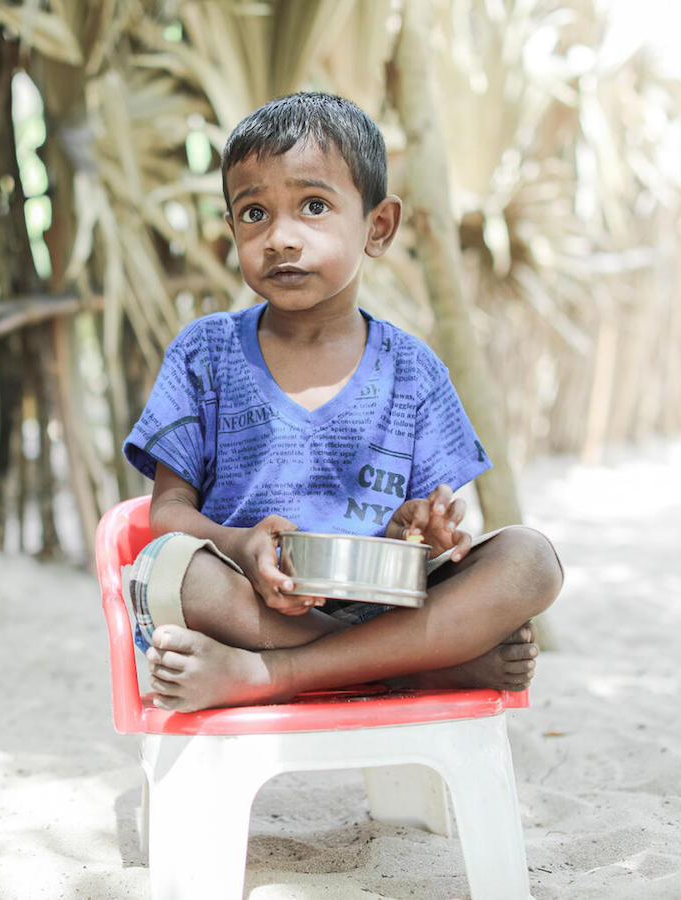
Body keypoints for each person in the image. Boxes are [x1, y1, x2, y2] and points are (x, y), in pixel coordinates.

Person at [122, 92, 563, 713]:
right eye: (254, 214)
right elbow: (167, 511)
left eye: (313, 206)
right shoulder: (205, 352)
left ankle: (274, 676)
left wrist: (421, 532)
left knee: (531, 560)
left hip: (385, 603)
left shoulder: (414, 371)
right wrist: (240, 545)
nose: (280, 238)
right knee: (177, 569)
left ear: (377, 227)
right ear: (231, 230)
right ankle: (407, 668)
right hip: (249, 604)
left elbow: (424, 535)